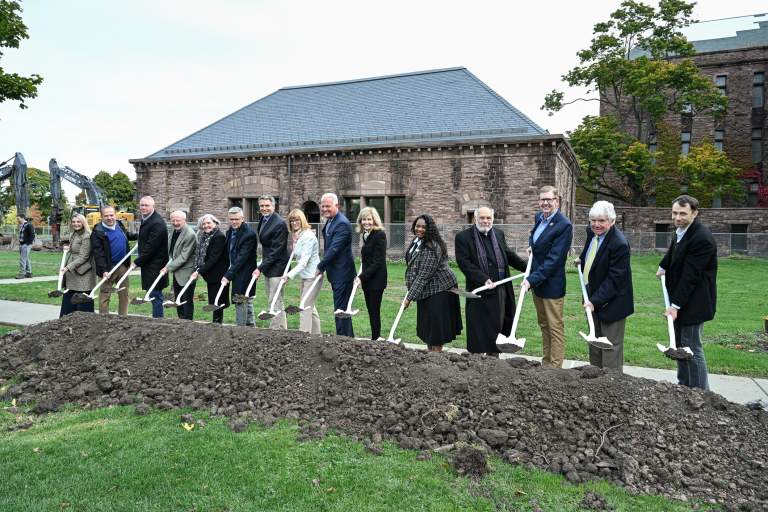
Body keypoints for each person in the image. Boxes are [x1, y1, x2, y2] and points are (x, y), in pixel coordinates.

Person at [656, 195, 716, 390]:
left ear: (695, 213)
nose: (677, 217)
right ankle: (684, 387)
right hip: (682, 299)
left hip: (694, 302)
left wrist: (675, 306)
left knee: (691, 348)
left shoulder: (701, 238)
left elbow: (691, 276)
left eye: (683, 213)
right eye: (674, 213)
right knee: (681, 346)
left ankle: (700, 394)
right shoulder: (682, 230)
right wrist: (663, 266)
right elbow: (674, 250)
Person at [455, 206, 527, 355]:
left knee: (498, 326)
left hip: (500, 290)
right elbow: (464, 263)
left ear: (493, 219)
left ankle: (494, 360)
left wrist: (527, 268)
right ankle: (476, 360)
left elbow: (508, 255)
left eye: (489, 218)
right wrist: (483, 279)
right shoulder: (463, 237)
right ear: (476, 219)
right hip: (480, 292)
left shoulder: (498, 234)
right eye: (482, 218)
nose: (485, 221)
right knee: (479, 329)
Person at [575, 201, 634, 372]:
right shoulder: (592, 232)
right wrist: (582, 258)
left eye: (601, 220)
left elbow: (614, 279)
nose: (596, 224)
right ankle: (596, 381)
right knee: (595, 342)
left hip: (612, 303)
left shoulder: (619, 244)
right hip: (592, 298)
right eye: (593, 220)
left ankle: (611, 385)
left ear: (612, 221)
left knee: (610, 348)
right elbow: (590, 248)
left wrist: (595, 301)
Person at [522, 185, 572, 368]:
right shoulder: (539, 218)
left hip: (552, 285)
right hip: (538, 285)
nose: (545, 203)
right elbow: (534, 237)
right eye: (542, 199)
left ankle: (555, 368)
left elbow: (554, 260)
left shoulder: (564, 225)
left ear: (556, 201)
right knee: (544, 325)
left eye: (549, 199)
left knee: (555, 327)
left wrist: (530, 280)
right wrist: (531, 246)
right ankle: (546, 363)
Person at [404, 214, 462, 352]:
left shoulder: (431, 247)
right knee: (427, 327)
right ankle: (431, 357)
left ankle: (436, 360)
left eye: (424, 227)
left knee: (436, 330)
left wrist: (409, 297)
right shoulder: (417, 241)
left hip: (440, 290)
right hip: (426, 291)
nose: (420, 229)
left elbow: (424, 275)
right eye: (418, 226)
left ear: (430, 229)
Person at [316, 193, 356, 337]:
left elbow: (334, 249)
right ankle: (346, 337)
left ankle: (343, 339)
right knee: (341, 308)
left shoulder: (342, 223)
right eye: (323, 206)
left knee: (341, 309)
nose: (325, 209)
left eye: (328, 206)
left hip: (343, 273)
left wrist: (320, 266)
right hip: (336, 273)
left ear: (337, 206)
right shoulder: (331, 221)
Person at [252, 195, 289, 329]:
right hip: (269, 266)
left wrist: (260, 267)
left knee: (275, 300)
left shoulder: (279, 223)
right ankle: (276, 327)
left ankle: (278, 331)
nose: (264, 208)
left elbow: (276, 251)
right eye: (262, 206)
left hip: (277, 268)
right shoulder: (263, 219)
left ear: (273, 206)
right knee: (271, 298)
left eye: (267, 205)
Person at [283, 209, 322, 334]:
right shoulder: (299, 235)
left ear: (302, 220)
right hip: (306, 276)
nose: (294, 222)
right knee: (309, 305)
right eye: (292, 220)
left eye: (297, 219)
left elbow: (303, 262)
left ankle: (303, 335)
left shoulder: (308, 237)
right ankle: (317, 335)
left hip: (313, 276)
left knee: (304, 306)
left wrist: (289, 275)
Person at [91, 205, 134, 316]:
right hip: (108, 268)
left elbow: (126, 236)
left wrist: (140, 236)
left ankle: (123, 318)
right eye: (106, 216)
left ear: (115, 215)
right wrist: (104, 270)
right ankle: (104, 320)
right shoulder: (97, 232)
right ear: (101, 217)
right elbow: (98, 254)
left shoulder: (119, 225)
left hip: (123, 266)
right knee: (105, 296)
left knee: (124, 294)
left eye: (111, 215)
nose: (109, 218)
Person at [133, 196, 169, 318]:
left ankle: (158, 321)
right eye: (142, 205)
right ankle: (156, 319)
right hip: (150, 264)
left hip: (155, 265)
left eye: (146, 205)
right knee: (153, 293)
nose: (143, 207)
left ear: (153, 206)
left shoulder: (157, 223)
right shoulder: (147, 219)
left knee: (155, 294)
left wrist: (137, 262)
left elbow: (151, 247)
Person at [223, 206, 257, 326]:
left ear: (243, 218)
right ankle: (251, 326)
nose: (234, 222)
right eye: (231, 219)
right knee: (246, 301)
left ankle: (241, 329)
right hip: (235, 270)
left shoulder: (249, 234)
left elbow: (241, 258)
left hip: (246, 272)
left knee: (240, 299)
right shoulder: (230, 232)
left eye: (237, 219)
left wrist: (228, 275)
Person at [356, 207, 388, 340]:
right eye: (364, 219)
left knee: (374, 310)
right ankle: (375, 337)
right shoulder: (365, 235)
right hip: (368, 279)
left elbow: (378, 261)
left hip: (377, 280)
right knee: (371, 310)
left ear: (374, 220)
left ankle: (376, 338)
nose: (366, 222)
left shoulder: (380, 235)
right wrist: (362, 276)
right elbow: (367, 260)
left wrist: (361, 277)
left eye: (369, 219)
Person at [191, 214, 229, 324]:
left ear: (215, 223)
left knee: (217, 300)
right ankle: (216, 323)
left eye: (209, 223)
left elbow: (213, 258)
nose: (206, 225)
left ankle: (217, 324)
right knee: (213, 299)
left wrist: (198, 271)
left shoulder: (219, 237)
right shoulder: (204, 236)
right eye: (204, 223)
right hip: (210, 274)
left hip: (218, 274)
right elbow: (201, 255)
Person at [161, 210, 197, 320]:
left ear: (184, 220)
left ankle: (188, 323)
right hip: (177, 272)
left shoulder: (190, 234)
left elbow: (183, 257)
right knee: (178, 298)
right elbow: (172, 251)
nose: (175, 222)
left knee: (186, 299)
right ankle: (181, 321)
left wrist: (168, 268)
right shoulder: (174, 231)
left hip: (187, 272)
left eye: (178, 220)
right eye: (173, 220)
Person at [59, 214, 96, 317]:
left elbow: (84, 257)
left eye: (78, 222)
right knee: (70, 293)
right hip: (73, 270)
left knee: (83, 296)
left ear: (83, 223)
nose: (76, 224)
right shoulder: (74, 234)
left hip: (83, 272)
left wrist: (67, 267)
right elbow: (73, 249)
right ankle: (66, 318)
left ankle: (85, 321)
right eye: (74, 222)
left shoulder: (87, 236)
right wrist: (67, 248)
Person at [16, 214, 35, 279]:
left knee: (22, 259)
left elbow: (32, 235)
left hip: (26, 245)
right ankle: (29, 273)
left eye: (18, 218)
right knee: (26, 259)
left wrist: (27, 244)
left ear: (22, 218)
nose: (17, 220)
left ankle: (22, 274)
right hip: (22, 244)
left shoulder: (29, 225)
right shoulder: (22, 225)